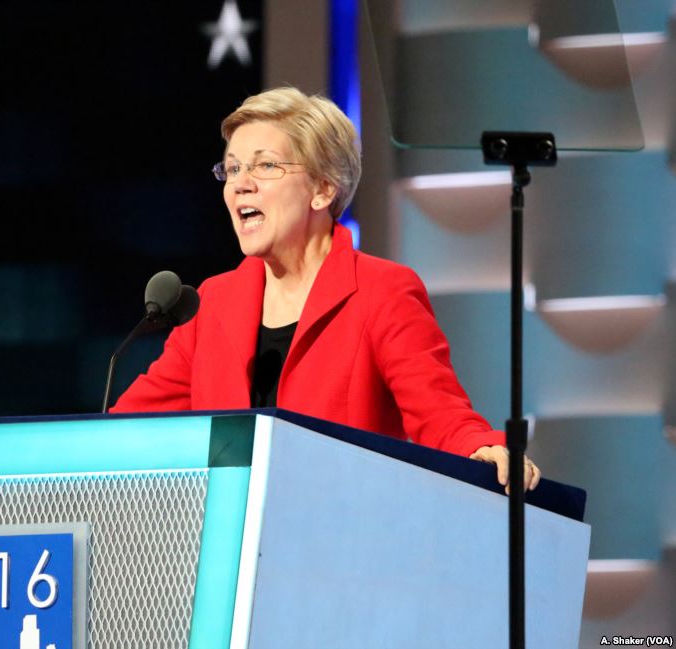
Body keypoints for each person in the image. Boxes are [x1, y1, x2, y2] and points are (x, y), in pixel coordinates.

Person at [111, 87, 539, 493]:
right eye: (234, 168)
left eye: (265, 166)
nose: (240, 183)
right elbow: (130, 429)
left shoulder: (381, 291)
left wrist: (480, 446)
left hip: (341, 538)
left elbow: (439, 411)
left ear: (322, 189)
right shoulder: (213, 303)